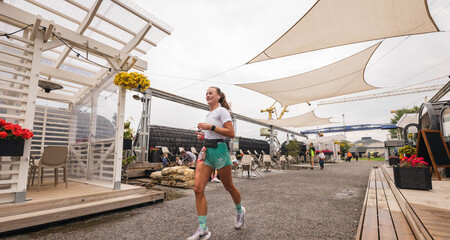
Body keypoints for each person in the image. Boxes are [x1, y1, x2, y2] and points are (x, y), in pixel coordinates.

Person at [187, 87, 245, 240]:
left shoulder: (222, 111)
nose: (207, 95)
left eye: (210, 93)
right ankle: (203, 229)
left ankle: (240, 211)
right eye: (206, 93)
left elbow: (231, 133)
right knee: (198, 189)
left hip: (219, 150)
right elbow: (213, 132)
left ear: (218, 96)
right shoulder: (209, 114)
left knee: (228, 186)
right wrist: (204, 135)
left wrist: (210, 127)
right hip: (207, 149)